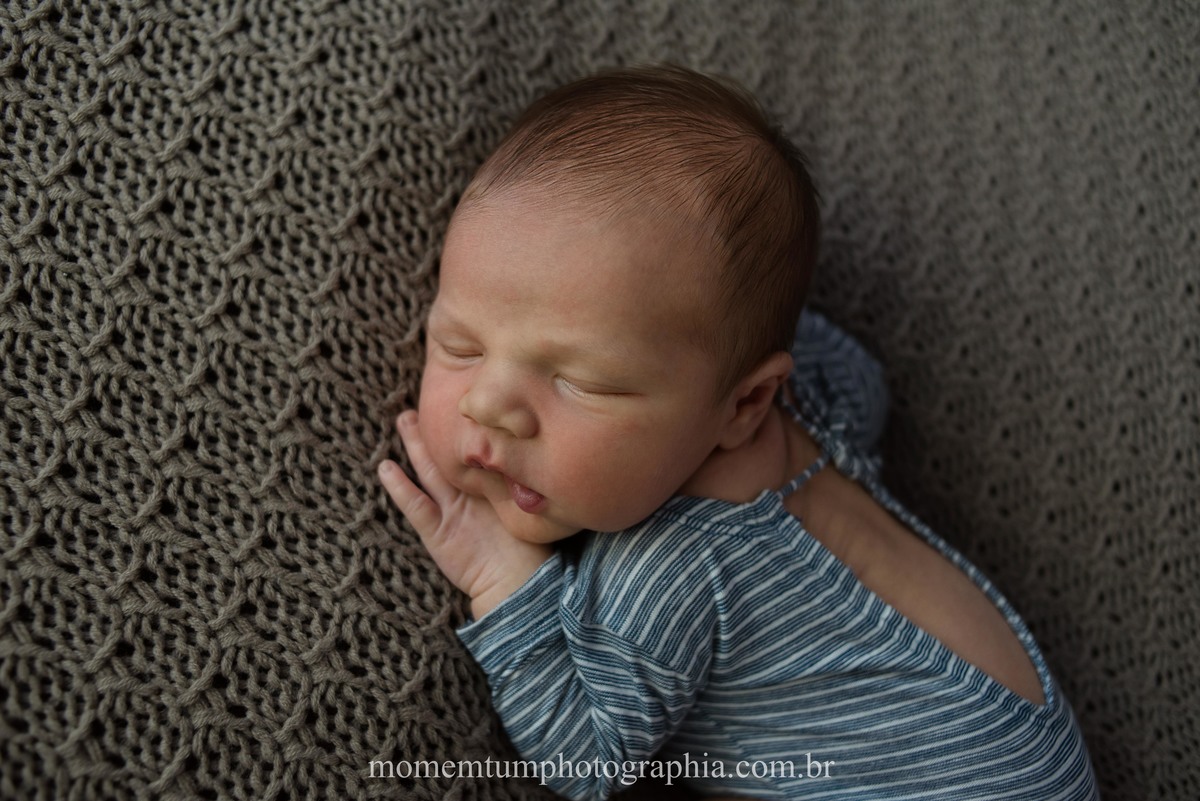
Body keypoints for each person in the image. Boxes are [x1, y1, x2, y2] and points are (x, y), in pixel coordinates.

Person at [377, 64, 1098, 800]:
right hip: (1021, 742)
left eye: (581, 381)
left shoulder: (669, 566)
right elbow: (862, 379)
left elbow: (584, 759)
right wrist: (726, 336)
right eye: (459, 345)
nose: (490, 404)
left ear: (747, 403)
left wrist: (504, 578)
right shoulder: (812, 396)